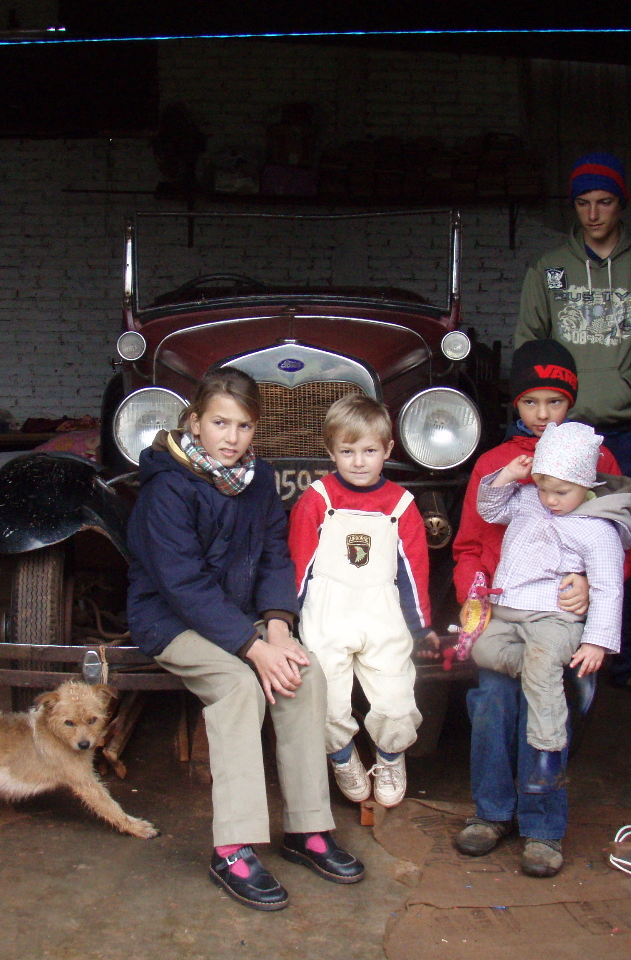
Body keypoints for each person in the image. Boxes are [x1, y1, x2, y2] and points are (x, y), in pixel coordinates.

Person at [126, 367, 363, 912]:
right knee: (239, 687)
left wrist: (278, 626)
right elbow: (182, 585)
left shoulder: (257, 479)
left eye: (244, 426)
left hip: (237, 616)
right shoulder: (168, 487)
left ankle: (307, 828)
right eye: (219, 423)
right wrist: (253, 649)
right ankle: (232, 847)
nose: (231, 438)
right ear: (195, 422)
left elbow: (275, 554)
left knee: (303, 673)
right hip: (170, 619)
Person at [451, 339, 631, 878]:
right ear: (514, 403)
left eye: (555, 402)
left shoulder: (597, 459)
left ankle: (543, 825)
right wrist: (475, 596)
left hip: (556, 617)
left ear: (571, 402)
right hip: (503, 609)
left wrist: (589, 585)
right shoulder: (497, 464)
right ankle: (492, 812)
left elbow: (621, 545)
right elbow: (468, 544)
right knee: (491, 702)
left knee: (547, 699)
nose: (542, 414)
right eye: (530, 402)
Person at [515, 151, 631, 706]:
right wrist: (555, 402)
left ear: (621, 204)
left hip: (628, 430)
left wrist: (624, 388)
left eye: (604, 202)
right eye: (583, 203)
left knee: (630, 543)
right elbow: (530, 344)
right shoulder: (549, 268)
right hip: (560, 433)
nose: (593, 214)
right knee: (549, 539)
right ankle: (555, 653)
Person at [472, 420, 631, 794]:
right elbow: (490, 510)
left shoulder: (598, 527)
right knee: (481, 649)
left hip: (555, 616)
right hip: (509, 611)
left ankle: (548, 757)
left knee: (540, 661)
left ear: (586, 483)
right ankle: (558, 673)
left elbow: (609, 587)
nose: (550, 499)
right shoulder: (528, 499)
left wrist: (596, 642)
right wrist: (507, 476)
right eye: (544, 488)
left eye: (562, 492)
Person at [288, 394, 439, 809]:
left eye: (369, 451)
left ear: (388, 449)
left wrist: (420, 625)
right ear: (330, 451)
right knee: (325, 696)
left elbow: (413, 570)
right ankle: (341, 756)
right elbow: (299, 563)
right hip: (327, 609)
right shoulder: (317, 499)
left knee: (395, 692)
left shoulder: (402, 504)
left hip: (381, 610)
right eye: (347, 451)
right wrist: (290, 620)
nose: (358, 462)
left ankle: (390, 757)